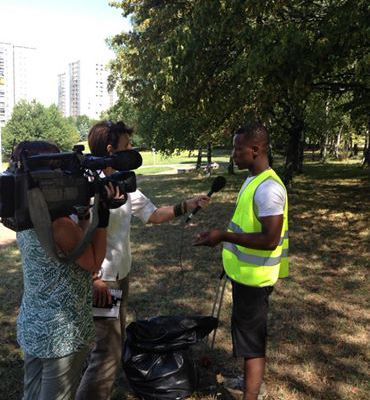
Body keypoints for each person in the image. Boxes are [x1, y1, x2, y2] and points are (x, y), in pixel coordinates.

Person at [76, 121, 210, 400]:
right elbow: (80, 238)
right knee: (108, 351)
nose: (132, 151)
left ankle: (102, 383)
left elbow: (154, 214)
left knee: (113, 341)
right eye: (127, 146)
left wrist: (187, 204)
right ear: (111, 150)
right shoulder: (88, 188)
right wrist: (95, 278)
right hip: (103, 280)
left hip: (121, 276)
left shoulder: (124, 183)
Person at [13, 140, 116, 400]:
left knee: (31, 393)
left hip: (34, 324)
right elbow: (93, 261)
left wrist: (82, 214)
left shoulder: (24, 214)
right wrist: (101, 219)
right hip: (61, 332)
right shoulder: (59, 224)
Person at [194, 123, 289, 400]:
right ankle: (248, 383)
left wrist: (223, 235)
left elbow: (270, 239)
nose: (233, 154)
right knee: (246, 338)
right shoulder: (253, 179)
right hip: (245, 275)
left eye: (238, 148)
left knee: (252, 343)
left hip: (255, 278)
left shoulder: (269, 189)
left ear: (256, 149)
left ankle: (250, 395)